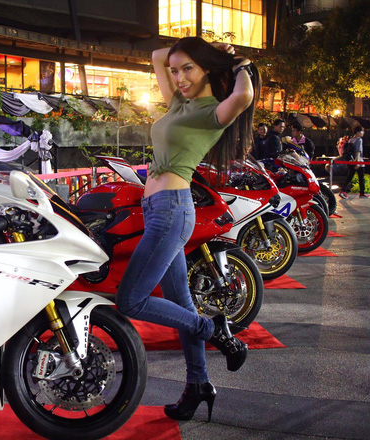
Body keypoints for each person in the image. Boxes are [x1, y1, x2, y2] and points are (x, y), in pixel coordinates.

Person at [115, 37, 258, 423]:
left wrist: (238, 64)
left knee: (130, 300)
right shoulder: (180, 103)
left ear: (207, 69)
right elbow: (157, 56)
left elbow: (243, 96)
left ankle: (214, 329)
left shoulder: (212, 112)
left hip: (172, 211)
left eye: (188, 69)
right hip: (156, 210)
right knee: (181, 304)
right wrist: (197, 51)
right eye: (176, 71)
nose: (178, 77)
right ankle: (198, 384)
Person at [339, 125, 368, 199]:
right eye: (362, 131)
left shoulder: (351, 140)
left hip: (351, 161)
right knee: (361, 177)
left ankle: (343, 190)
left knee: (350, 176)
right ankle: (362, 193)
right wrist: (358, 162)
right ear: (358, 132)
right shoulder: (359, 140)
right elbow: (358, 151)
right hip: (358, 160)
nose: (363, 133)